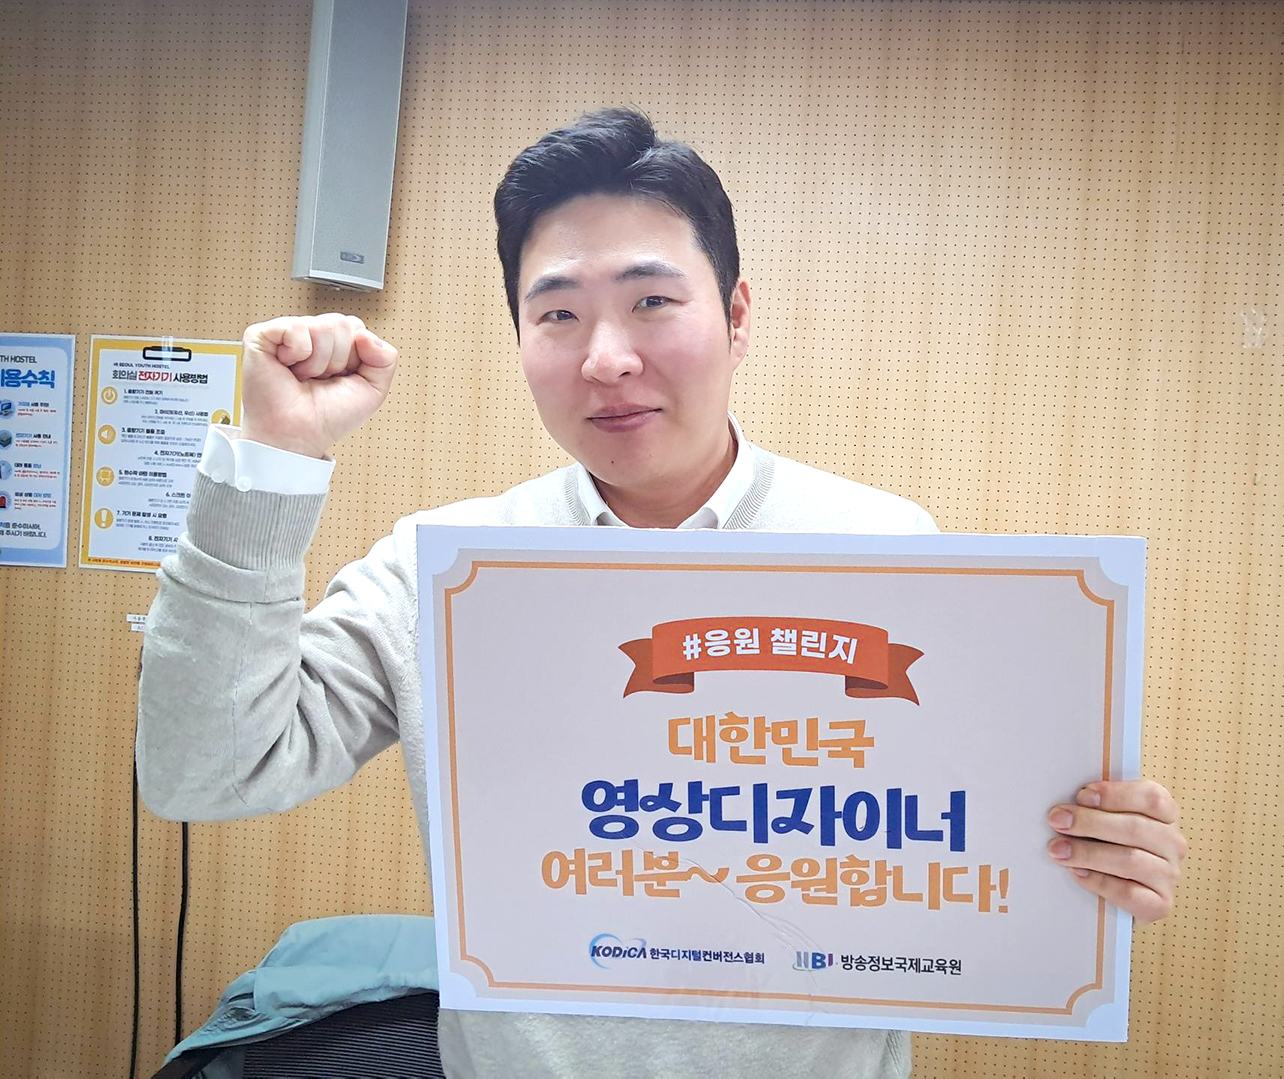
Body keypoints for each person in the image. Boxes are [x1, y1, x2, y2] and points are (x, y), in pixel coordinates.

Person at [138, 108, 1187, 1078]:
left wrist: (1093, 855)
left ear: (735, 315)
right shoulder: (441, 570)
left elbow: (958, 841)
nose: (606, 358)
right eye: (558, 313)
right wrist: (272, 462)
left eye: (651, 301)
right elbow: (202, 771)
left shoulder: (889, 547)